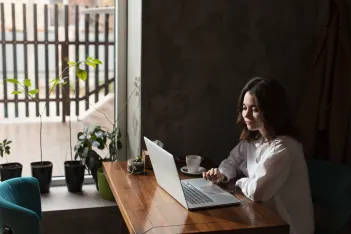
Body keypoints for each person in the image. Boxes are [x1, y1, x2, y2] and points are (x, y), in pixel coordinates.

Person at [203, 77, 314, 234]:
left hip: (286, 226)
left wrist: (239, 182)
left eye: (254, 109)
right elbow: (232, 161)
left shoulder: (285, 146)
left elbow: (257, 192)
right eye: (244, 107)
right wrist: (223, 174)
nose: (246, 115)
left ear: (271, 111)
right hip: (261, 217)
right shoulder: (255, 137)